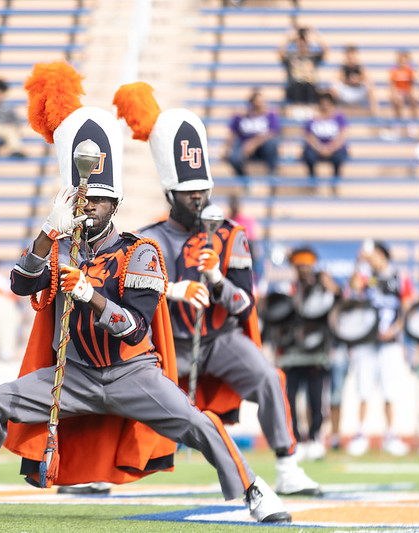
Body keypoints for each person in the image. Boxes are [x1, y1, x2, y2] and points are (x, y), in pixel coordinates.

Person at [0, 61, 291, 524]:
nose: (88, 205)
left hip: (130, 373)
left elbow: (134, 327)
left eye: (97, 199)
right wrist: (43, 234)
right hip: (73, 374)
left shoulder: (141, 252)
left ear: (114, 203)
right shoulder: (58, 245)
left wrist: (88, 294)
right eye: (81, 197)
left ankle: (255, 490)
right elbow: (19, 283)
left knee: (197, 423)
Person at [114, 81, 321, 497]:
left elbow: (245, 305)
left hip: (217, 337)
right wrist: (172, 289)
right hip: (168, 343)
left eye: (202, 190)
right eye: (189, 192)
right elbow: (130, 292)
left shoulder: (231, 236)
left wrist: (216, 279)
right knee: (122, 387)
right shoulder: (147, 238)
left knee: (267, 376)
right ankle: (105, 471)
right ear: (171, 194)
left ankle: (287, 466)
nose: (198, 198)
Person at [272, 247, 341, 461]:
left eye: (307, 265)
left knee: (315, 399)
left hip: (315, 355)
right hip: (291, 355)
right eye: (299, 265)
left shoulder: (323, 290)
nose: (303, 269)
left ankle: (314, 438)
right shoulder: (288, 290)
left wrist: (332, 289)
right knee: (290, 400)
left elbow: (337, 307)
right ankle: (297, 440)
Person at [346, 241, 413, 457]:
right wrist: (360, 262)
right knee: (364, 390)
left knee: (389, 391)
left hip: (389, 344)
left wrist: (394, 330)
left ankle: (391, 435)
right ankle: (360, 434)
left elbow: (407, 307)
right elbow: (354, 287)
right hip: (367, 342)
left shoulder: (399, 277)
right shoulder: (367, 276)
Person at [224, 89, 280, 180]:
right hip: (244, 145)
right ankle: (243, 178)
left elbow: (271, 133)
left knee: (272, 144)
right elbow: (232, 134)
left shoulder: (270, 115)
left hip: (262, 147)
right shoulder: (241, 116)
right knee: (233, 157)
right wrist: (227, 148)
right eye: (258, 102)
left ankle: (272, 172)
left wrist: (253, 143)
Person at [278, 25, 328, 120]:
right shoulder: (291, 57)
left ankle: (311, 110)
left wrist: (316, 36)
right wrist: (289, 38)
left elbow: (325, 51)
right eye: (300, 43)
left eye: (304, 43)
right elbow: (280, 52)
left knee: (309, 86)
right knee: (297, 85)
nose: (302, 45)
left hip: (310, 89)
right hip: (295, 89)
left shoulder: (312, 57)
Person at [302, 91, 348, 192]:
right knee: (308, 155)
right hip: (317, 148)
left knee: (339, 156)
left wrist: (330, 148)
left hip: (334, 148)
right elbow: (308, 136)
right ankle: (312, 179)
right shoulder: (312, 118)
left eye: (327, 103)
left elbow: (342, 135)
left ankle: (335, 181)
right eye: (322, 103)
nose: (325, 106)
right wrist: (319, 148)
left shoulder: (338, 117)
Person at [331, 45, 379, 117]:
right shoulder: (342, 68)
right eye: (349, 56)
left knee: (370, 86)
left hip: (358, 92)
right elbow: (338, 80)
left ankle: (375, 113)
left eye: (352, 56)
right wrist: (348, 81)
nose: (351, 59)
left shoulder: (360, 68)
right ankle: (333, 112)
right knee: (334, 86)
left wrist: (358, 80)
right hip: (346, 92)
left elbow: (368, 80)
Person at [388, 50, 419, 138]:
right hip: (398, 93)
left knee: (414, 100)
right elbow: (392, 86)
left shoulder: (410, 71)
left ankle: (412, 125)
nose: (403, 63)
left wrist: (411, 94)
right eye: (401, 60)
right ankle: (397, 127)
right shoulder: (394, 71)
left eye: (404, 61)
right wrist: (394, 95)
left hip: (407, 92)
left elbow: (412, 86)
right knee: (398, 100)